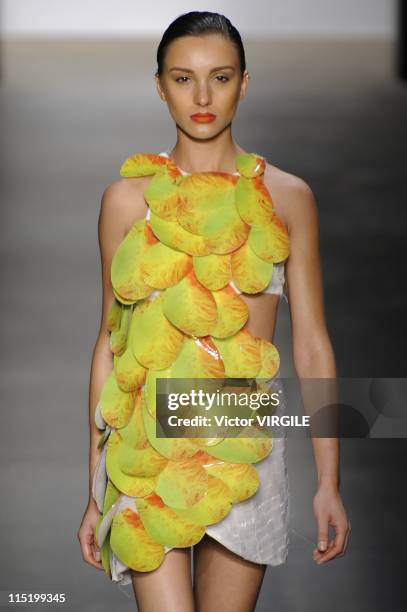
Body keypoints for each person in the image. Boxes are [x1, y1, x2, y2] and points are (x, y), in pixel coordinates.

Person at [78, 10, 351, 612]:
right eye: (183, 78)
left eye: (220, 78)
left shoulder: (287, 197)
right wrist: (95, 488)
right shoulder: (125, 200)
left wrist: (330, 481)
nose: (202, 97)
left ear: (244, 83)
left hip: (242, 430)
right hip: (146, 440)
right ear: (159, 85)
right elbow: (110, 343)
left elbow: (311, 346)